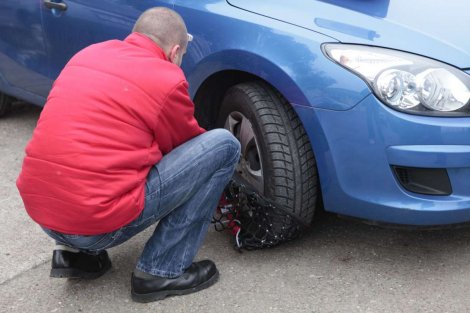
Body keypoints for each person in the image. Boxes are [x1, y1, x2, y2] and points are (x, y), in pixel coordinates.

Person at [16, 7, 240, 303]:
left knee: (85, 154)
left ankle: (77, 256)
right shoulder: (165, 77)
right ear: (175, 52)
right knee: (223, 146)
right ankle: (162, 269)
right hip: (95, 223)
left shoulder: (87, 55)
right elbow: (188, 148)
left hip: (44, 213)